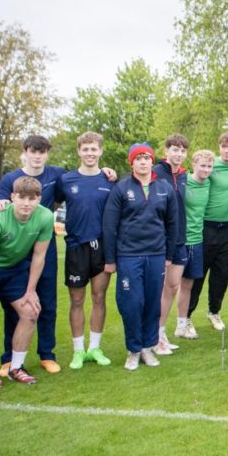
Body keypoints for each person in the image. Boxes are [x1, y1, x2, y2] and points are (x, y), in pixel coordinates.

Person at [0, 134, 114, 375]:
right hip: (17, 250)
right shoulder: (12, 179)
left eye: (42, 152)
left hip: (46, 247)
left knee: (47, 303)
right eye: (33, 151)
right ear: (25, 152)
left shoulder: (57, 175)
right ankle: (9, 358)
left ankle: (46, 354)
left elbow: (77, 192)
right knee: (14, 303)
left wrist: (108, 171)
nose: (37, 156)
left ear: (47, 154)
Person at [0, 176, 54, 388]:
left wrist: (31, 291)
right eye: (22, 197)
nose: (26, 203)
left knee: (30, 312)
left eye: (32, 199)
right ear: (12, 197)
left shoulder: (46, 217)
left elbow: (39, 256)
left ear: (39, 199)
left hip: (13, 269)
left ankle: (17, 367)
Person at [102, 143, 179, 371]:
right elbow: (109, 225)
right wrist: (110, 259)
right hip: (129, 255)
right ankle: (134, 350)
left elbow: (173, 224)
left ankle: (147, 347)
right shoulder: (121, 188)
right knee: (132, 303)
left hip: (156, 254)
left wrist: (169, 255)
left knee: (153, 303)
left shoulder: (164, 188)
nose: (143, 162)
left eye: (147, 158)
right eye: (138, 158)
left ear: (152, 161)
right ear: (132, 162)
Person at [59, 133, 115, 370]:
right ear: (79, 151)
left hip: (102, 247)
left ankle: (95, 347)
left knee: (99, 297)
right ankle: (78, 351)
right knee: (76, 300)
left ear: (101, 151)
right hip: (75, 247)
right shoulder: (66, 180)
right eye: (86, 149)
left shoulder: (110, 179)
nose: (90, 153)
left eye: (94, 149)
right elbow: (51, 203)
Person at [187, 132, 228, 330]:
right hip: (206, 227)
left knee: (222, 274)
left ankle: (214, 312)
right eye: (223, 146)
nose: (226, 151)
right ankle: (186, 316)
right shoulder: (210, 164)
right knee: (198, 274)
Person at [175, 149, 215, 341]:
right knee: (169, 287)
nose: (206, 169)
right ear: (193, 165)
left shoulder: (208, 183)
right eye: (202, 165)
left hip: (197, 240)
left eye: (209, 166)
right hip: (179, 241)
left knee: (188, 285)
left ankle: (182, 325)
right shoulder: (182, 181)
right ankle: (157, 332)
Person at [154, 134, 188, 353]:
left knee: (173, 286)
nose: (179, 154)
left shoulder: (184, 176)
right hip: (158, 240)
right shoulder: (155, 173)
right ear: (166, 151)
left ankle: (160, 333)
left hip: (179, 239)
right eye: (175, 149)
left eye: (183, 150)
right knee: (157, 289)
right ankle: (152, 337)